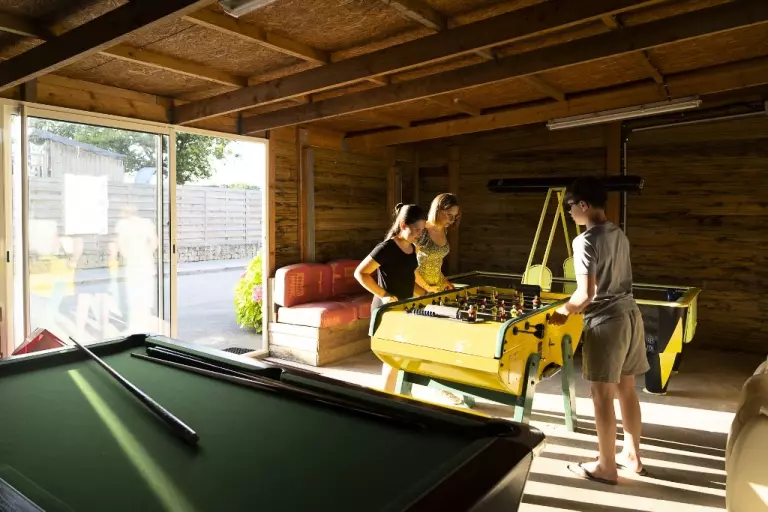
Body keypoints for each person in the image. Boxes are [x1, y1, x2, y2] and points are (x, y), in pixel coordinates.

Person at [549, 176, 649, 485]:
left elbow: (586, 294)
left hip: (607, 321)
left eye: (570, 206)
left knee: (601, 396)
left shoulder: (585, 241)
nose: (569, 213)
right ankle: (632, 455)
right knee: (626, 389)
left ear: (583, 204)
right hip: (631, 315)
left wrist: (562, 312)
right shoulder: (619, 233)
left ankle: (606, 467)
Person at [354, 203, 433, 391]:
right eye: (417, 230)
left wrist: (427, 295)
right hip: (386, 310)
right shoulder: (386, 248)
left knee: (402, 358)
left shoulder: (412, 248)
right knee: (394, 359)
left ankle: (401, 395)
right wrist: (385, 295)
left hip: (404, 309)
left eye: (422, 230)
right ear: (403, 225)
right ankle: (387, 399)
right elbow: (360, 273)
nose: (420, 234)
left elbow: (408, 279)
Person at [415, 193, 460, 295]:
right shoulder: (421, 230)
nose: (452, 220)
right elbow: (409, 267)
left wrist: (445, 281)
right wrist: (426, 288)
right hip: (419, 288)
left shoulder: (444, 230)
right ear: (437, 210)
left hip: (437, 286)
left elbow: (435, 264)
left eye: (455, 216)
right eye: (449, 214)